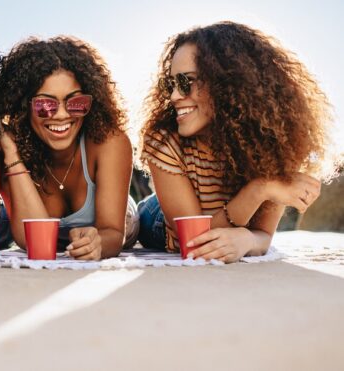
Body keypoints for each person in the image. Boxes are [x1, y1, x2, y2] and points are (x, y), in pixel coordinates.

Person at [138, 22, 335, 263]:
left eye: (186, 82)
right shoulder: (164, 140)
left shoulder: (275, 144)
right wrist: (260, 188)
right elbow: (192, 243)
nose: (174, 96)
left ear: (229, 83)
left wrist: (247, 240)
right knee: (133, 221)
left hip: (214, 216)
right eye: (170, 84)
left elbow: (262, 235)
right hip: (157, 218)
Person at [0, 37, 139, 261]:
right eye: (45, 105)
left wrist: (98, 243)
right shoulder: (11, 150)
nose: (62, 115)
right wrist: (12, 155)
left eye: (76, 103)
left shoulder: (109, 142)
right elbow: (30, 240)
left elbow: (113, 233)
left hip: (125, 221)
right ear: (23, 106)